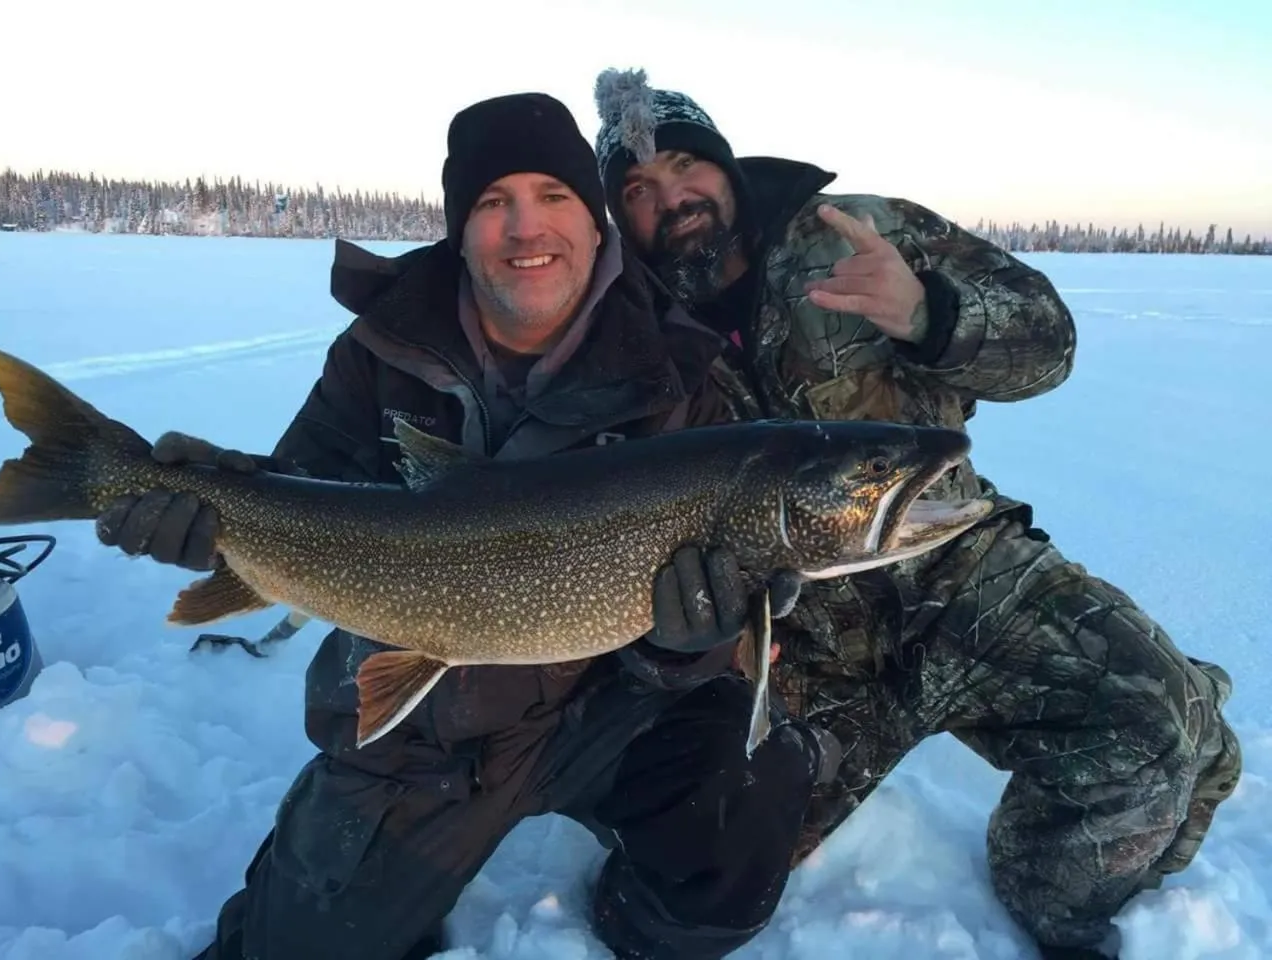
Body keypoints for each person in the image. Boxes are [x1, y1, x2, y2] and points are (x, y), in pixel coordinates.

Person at [94, 92, 838, 960]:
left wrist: (687, 644)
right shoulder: (383, 349)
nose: (528, 229)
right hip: (427, 729)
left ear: (597, 226)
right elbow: (309, 491)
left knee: (748, 792)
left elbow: (701, 640)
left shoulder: (677, 374)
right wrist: (217, 510)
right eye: (494, 204)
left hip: (610, 705)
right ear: (460, 229)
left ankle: (643, 926)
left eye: (556, 198)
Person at [590, 67, 1242, 960]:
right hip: (794, 643)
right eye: (638, 189)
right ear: (619, 218)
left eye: (685, 166)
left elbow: (1049, 344)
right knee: (684, 881)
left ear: (726, 167)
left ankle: (1049, 903)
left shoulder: (856, 232)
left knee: (1158, 733)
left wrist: (931, 316)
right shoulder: (622, 334)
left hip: (964, 573)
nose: (673, 197)